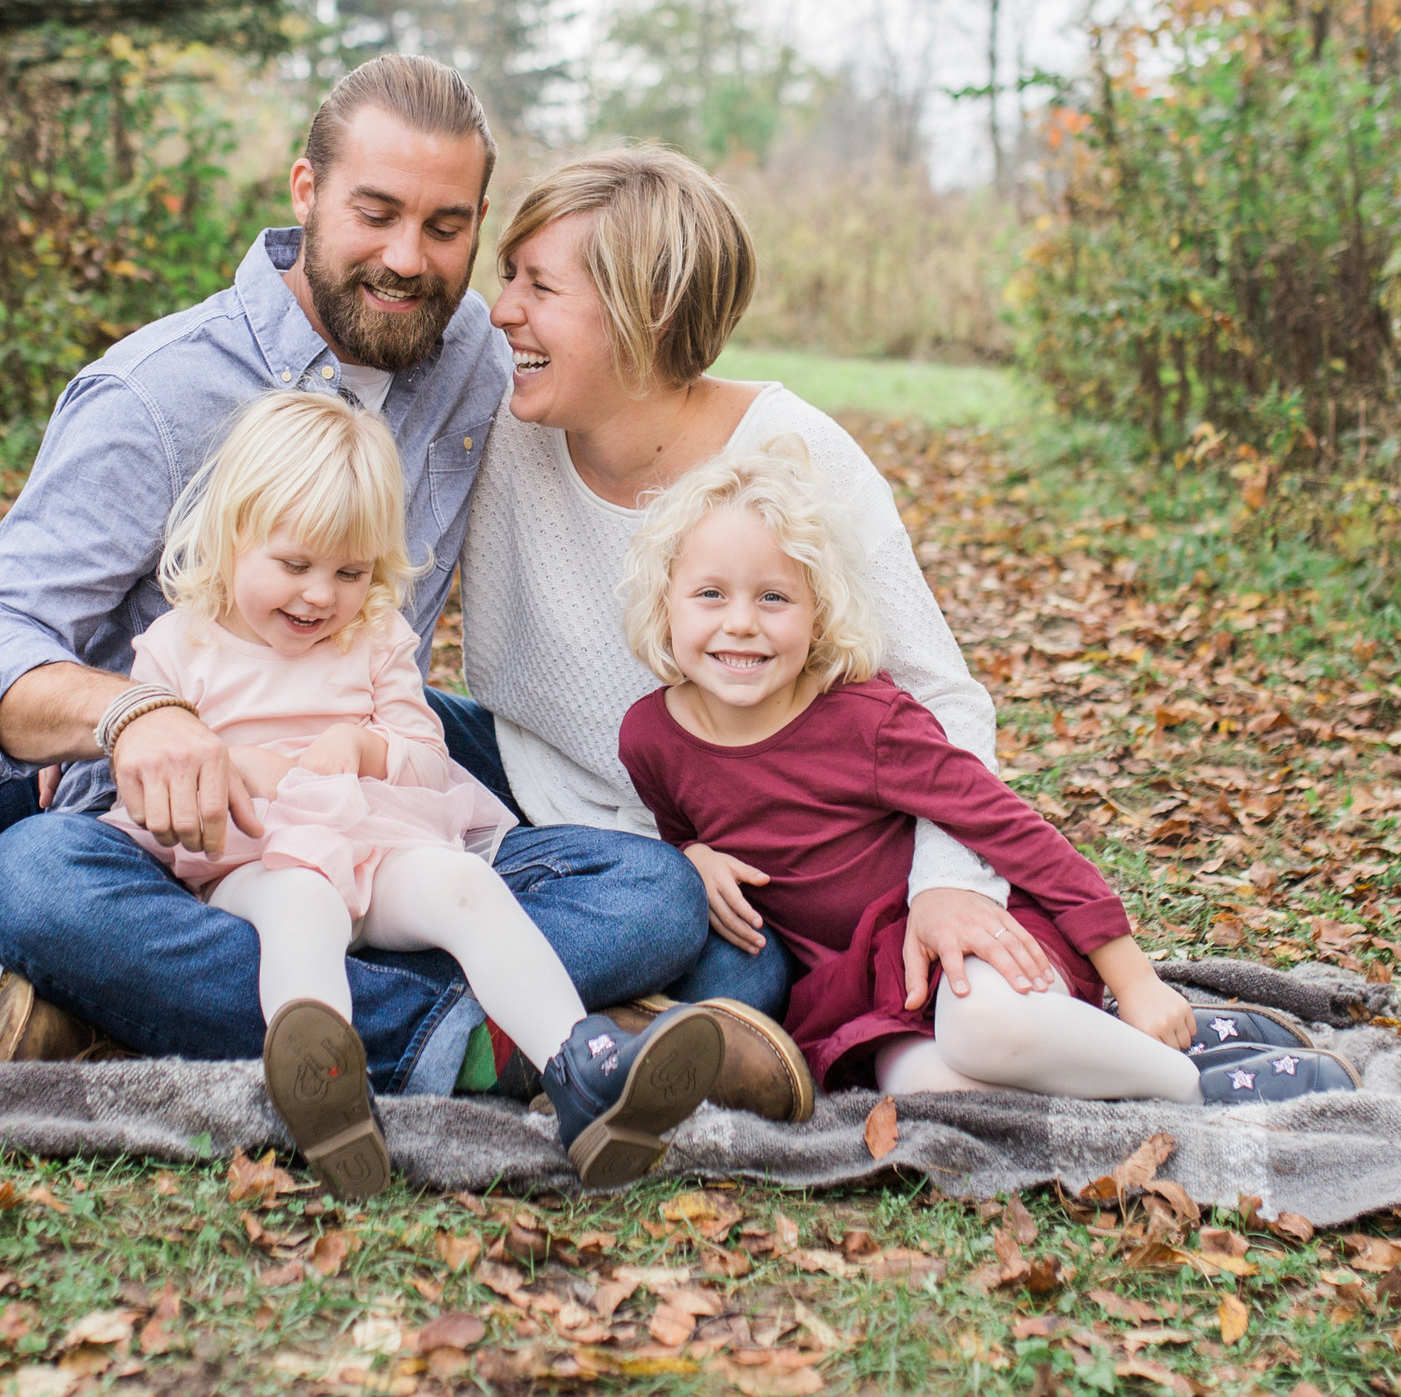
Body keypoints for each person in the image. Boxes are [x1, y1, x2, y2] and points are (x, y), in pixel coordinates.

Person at [0, 54, 720, 1102]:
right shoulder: (156, 395)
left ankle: (140, 999)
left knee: (656, 892)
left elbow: (636, 386)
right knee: (31, 886)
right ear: (306, 189)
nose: (406, 257)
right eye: (375, 212)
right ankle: (494, 1039)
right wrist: (137, 712)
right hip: (181, 839)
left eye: (446, 226)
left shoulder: (478, 361)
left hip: (377, 796)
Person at [438, 145, 1075, 1123]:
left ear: (646, 309)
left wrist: (949, 885)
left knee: (740, 986)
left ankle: (481, 1015)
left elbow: (939, 696)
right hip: (540, 792)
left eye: (539, 286)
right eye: (505, 279)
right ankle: (575, 1012)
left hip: (733, 856)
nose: (502, 311)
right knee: (389, 726)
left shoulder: (790, 454)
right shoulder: (500, 418)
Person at [107, 388, 723, 1194]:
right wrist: (224, 766)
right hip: (257, 861)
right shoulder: (178, 647)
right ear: (231, 539)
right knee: (303, 906)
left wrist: (363, 746)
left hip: (378, 843)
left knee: (465, 882)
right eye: (294, 565)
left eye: (350, 572)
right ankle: (329, 1094)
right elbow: (156, 789)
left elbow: (427, 761)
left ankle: (583, 1071)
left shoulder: (373, 637)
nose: (320, 596)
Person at [614, 443, 1359, 1102]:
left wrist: (1135, 976)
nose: (740, 621)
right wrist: (691, 858)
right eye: (711, 593)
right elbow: (685, 829)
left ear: (817, 612)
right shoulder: (651, 736)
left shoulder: (865, 723)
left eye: (773, 596)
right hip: (868, 985)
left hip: (965, 942)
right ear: (666, 602)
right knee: (919, 1087)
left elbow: (1013, 830)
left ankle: (1195, 1082)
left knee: (983, 1028)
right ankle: (1140, 1052)